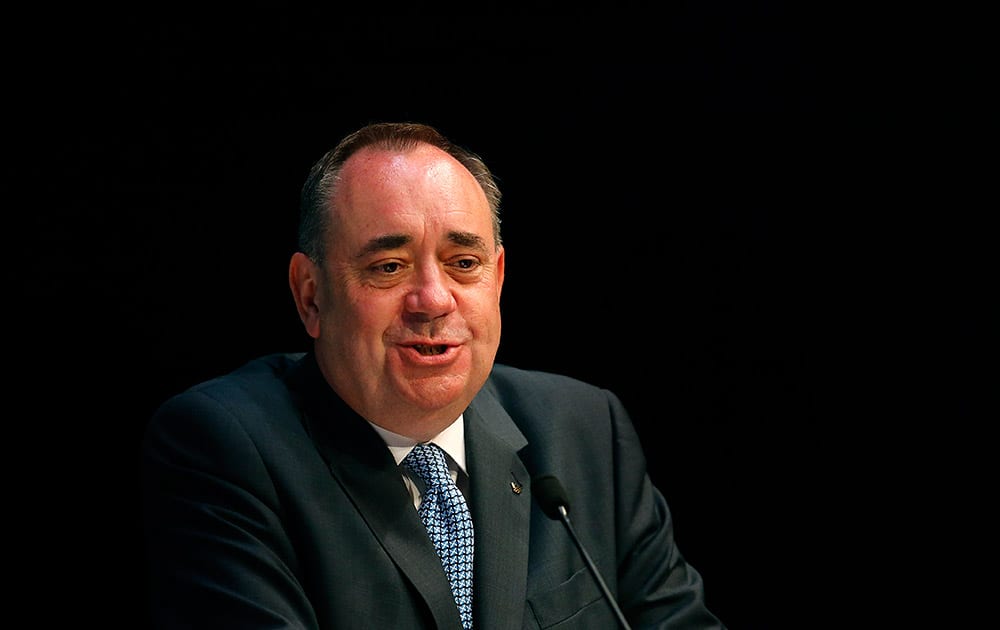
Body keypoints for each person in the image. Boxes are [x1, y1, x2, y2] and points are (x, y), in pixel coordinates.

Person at [140, 121, 725, 629]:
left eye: (463, 263)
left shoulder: (586, 430)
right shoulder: (223, 449)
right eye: (388, 267)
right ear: (311, 296)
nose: (432, 299)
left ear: (496, 278)